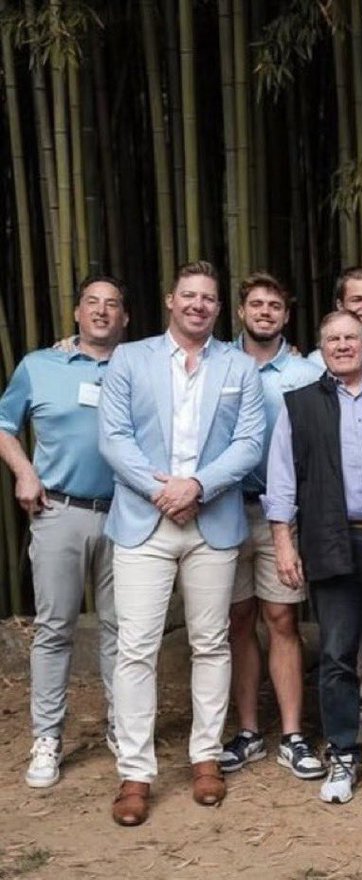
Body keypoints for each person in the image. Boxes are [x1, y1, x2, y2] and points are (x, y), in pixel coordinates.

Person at [99, 260, 265, 826]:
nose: (198, 304)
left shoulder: (240, 367)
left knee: (212, 643)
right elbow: (114, 439)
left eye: (209, 298)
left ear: (220, 309)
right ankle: (136, 771)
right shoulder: (129, 358)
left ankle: (205, 757)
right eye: (189, 295)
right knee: (136, 647)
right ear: (171, 300)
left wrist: (197, 485)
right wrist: (162, 491)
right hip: (144, 522)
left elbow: (248, 443)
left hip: (211, 521)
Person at [263, 310, 362, 804]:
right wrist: (284, 543)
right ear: (320, 347)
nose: (344, 345)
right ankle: (345, 753)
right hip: (332, 538)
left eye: (352, 337)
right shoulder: (301, 404)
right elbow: (282, 480)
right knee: (336, 655)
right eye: (333, 338)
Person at [0, 275, 128, 789]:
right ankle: (48, 737)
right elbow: (4, 424)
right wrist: (24, 473)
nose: (101, 312)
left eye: (112, 305)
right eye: (92, 303)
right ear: (76, 312)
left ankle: (125, 728)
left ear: (126, 318)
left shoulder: (141, 363)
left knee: (123, 630)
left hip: (128, 514)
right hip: (60, 510)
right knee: (55, 629)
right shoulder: (40, 365)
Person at [220, 273, 325, 779]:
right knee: (238, 621)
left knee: (282, 620)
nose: (265, 312)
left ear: (287, 314)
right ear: (241, 311)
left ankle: (292, 733)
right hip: (220, 509)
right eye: (256, 304)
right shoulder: (214, 363)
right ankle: (246, 732)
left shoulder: (306, 372)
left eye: (275, 305)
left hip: (282, 515)